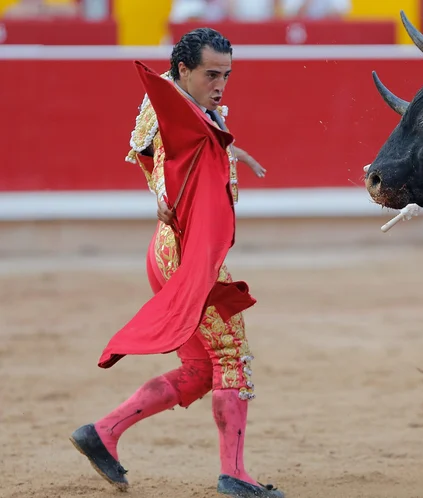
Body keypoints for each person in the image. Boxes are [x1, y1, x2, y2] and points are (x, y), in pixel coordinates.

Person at [69, 27, 283, 498]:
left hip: (169, 249)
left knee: (200, 370)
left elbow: (155, 154)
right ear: (182, 70)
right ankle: (235, 475)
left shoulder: (189, 105)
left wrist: (231, 150)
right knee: (231, 358)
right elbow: (157, 155)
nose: (221, 84)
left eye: (226, 75)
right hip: (187, 255)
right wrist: (163, 195)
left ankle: (103, 433)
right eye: (211, 74)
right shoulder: (169, 104)